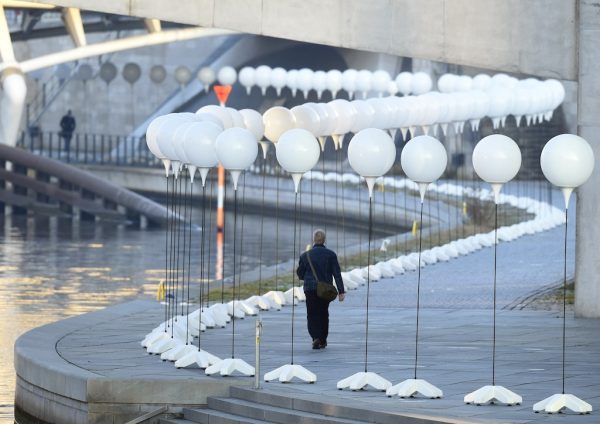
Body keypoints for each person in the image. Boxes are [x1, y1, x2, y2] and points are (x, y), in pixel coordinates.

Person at [297, 229, 345, 350]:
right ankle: (323, 339)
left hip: (310, 288)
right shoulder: (331, 254)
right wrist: (341, 291)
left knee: (312, 313)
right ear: (324, 240)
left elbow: (300, 274)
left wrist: (307, 276)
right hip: (325, 289)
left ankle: (315, 337)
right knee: (323, 313)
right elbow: (337, 274)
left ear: (314, 240)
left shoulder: (305, 255)